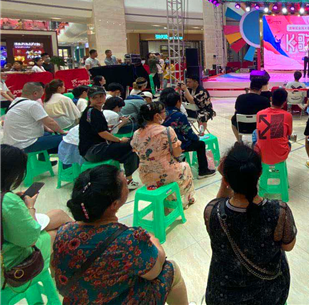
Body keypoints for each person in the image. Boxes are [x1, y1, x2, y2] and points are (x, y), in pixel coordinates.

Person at [53, 165, 188, 303]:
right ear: (114, 204)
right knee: (171, 268)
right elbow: (155, 271)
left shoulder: (63, 233)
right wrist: (152, 239)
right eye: (124, 182)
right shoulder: (128, 240)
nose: (127, 180)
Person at [204, 143, 297, 305]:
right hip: (270, 294)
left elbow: (218, 204)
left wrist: (225, 181)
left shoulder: (212, 212)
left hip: (223, 295)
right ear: (259, 173)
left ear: (226, 179)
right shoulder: (279, 211)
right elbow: (288, 246)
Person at [1, 145, 73, 291]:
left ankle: (59, 270)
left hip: (7, 245)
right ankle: (67, 269)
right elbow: (30, 239)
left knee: (58, 214)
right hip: (10, 264)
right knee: (60, 232)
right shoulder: (7, 201)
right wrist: (30, 206)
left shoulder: (7, 199)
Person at [131, 102, 196, 207]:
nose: (165, 114)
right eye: (164, 112)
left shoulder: (136, 133)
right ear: (157, 116)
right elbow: (177, 153)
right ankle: (185, 200)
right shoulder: (167, 131)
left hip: (146, 176)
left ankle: (167, 200)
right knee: (185, 166)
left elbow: (137, 151)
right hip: (166, 173)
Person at [78, 86, 140, 190]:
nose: (99, 99)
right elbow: (102, 133)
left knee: (129, 149)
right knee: (131, 145)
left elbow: (97, 130)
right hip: (94, 151)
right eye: (95, 97)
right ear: (89, 98)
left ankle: (125, 177)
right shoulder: (94, 112)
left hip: (90, 150)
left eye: (101, 96)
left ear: (105, 97)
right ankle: (128, 179)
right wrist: (119, 140)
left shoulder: (91, 111)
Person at [162, 91, 215, 178]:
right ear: (178, 102)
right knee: (201, 144)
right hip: (178, 144)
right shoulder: (179, 115)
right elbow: (188, 132)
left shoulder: (163, 114)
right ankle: (203, 171)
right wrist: (196, 138)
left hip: (165, 144)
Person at [3, 82, 66, 154]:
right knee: (66, 138)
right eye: (42, 91)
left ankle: (43, 159)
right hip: (26, 144)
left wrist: (47, 129)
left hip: (13, 143)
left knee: (48, 134)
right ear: (35, 93)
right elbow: (50, 122)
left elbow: (38, 119)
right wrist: (62, 132)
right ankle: (66, 161)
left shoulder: (15, 102)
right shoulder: (32, 104)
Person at [256, 88, 293, 165]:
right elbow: (289, 134)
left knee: (254, 133)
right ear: (284, 102)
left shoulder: (259, 113)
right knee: (287, 140)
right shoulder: (288, 115)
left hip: (261, 156)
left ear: (271, 99)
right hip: (281, 156)